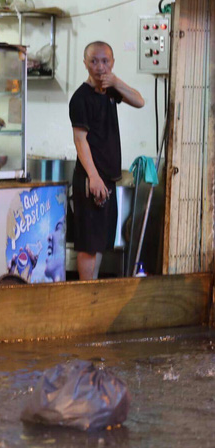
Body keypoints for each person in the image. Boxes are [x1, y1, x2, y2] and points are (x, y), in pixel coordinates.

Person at [69, 41, 144, 280]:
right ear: (85, 64)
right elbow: (80, 141)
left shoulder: (111, 91)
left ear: (112, 63)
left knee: (100, 241)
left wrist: (116, 82)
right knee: (89, 243)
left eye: (105, 61)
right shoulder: (80, 98)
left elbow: (140, 101)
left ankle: (92, 297)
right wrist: (93, 177)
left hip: (107, 179)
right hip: (91, 179)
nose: (100, 67)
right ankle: (85, 297)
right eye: (94, 61)